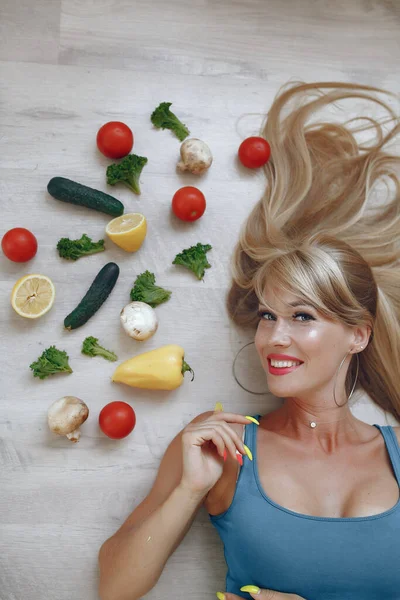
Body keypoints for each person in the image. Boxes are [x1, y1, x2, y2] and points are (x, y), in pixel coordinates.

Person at [98, 81, 400, 600]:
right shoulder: (223, 447)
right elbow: (114, 587)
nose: (272, 338)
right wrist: (190, 488)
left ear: (357, 334)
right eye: (266, 316)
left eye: (301, 316)